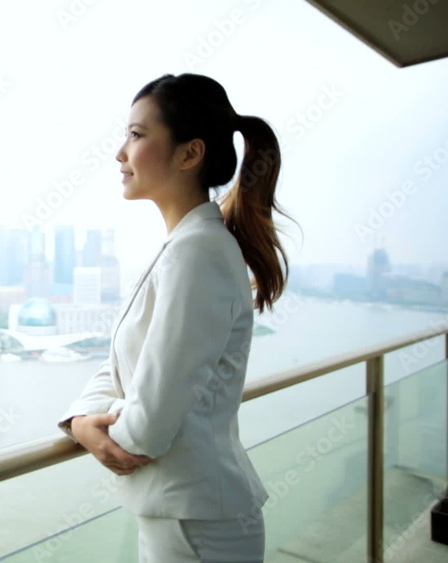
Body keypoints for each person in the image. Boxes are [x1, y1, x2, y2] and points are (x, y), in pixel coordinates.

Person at [57, 73, 291, 562]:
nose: (120, 153)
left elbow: (147, 426)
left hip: (197, 526)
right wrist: (80, 419)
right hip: (187, 515)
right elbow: (122, 366)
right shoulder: (184, 247)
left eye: (136, 135)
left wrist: (93, 429)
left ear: (189, 154)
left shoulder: (197, 253)